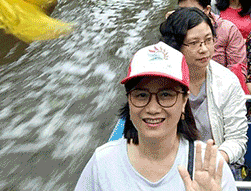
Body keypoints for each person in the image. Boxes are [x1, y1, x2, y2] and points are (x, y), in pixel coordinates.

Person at [74, 42, 237, 191]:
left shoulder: (210, 168)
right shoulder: (103, 163)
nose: (152, 108)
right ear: (129, 100)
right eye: (141, 95)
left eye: (166, 95)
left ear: (184, 101)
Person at [160, 8, 248, 166]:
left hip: (215, 164)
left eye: (208, 40)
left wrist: (211, 162)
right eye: (194, 43)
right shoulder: (160, 82)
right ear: (176, 45)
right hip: (169, 164)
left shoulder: (227, 81)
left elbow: (237, 140)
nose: (204, 49)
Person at [176, 0, 246, 70]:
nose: (185, 17)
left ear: (207, 10)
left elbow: (238, 68)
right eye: (182, 11)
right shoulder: (175, 28)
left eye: (192, 12)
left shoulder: (227, 30)